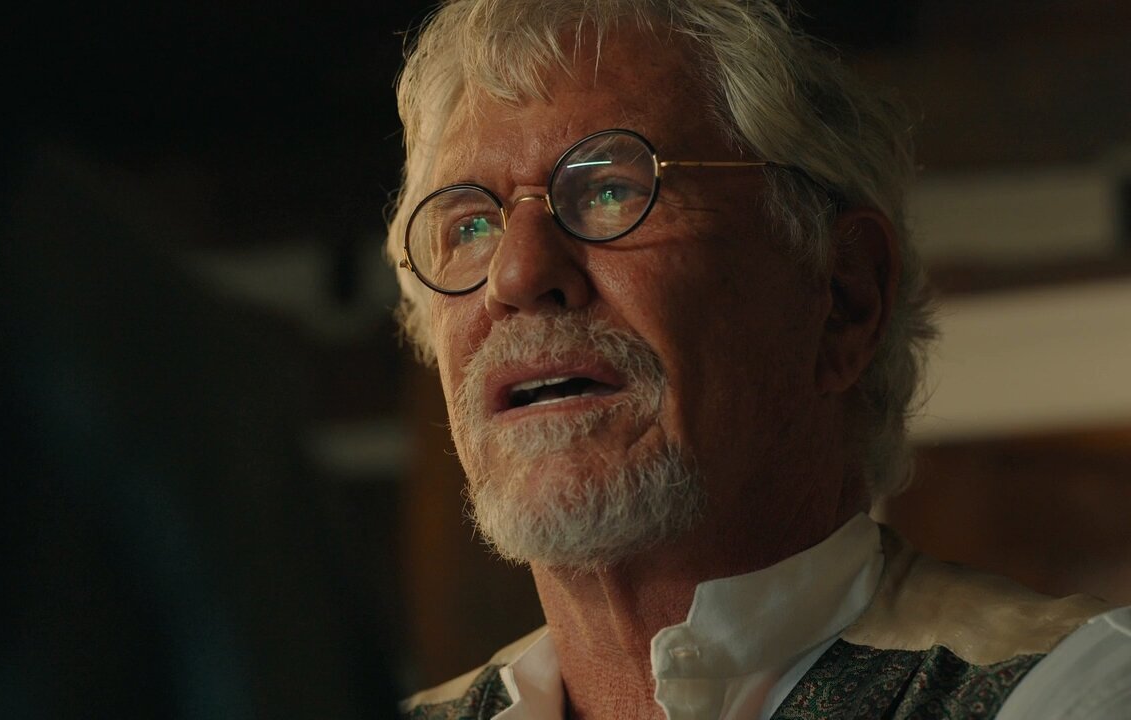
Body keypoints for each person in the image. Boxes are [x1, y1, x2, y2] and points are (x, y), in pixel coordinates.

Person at [384, 1, 1131, 719]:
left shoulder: (1077, 694)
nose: (516, 276)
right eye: (470, 225)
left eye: (611, 189)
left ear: (844, 299)